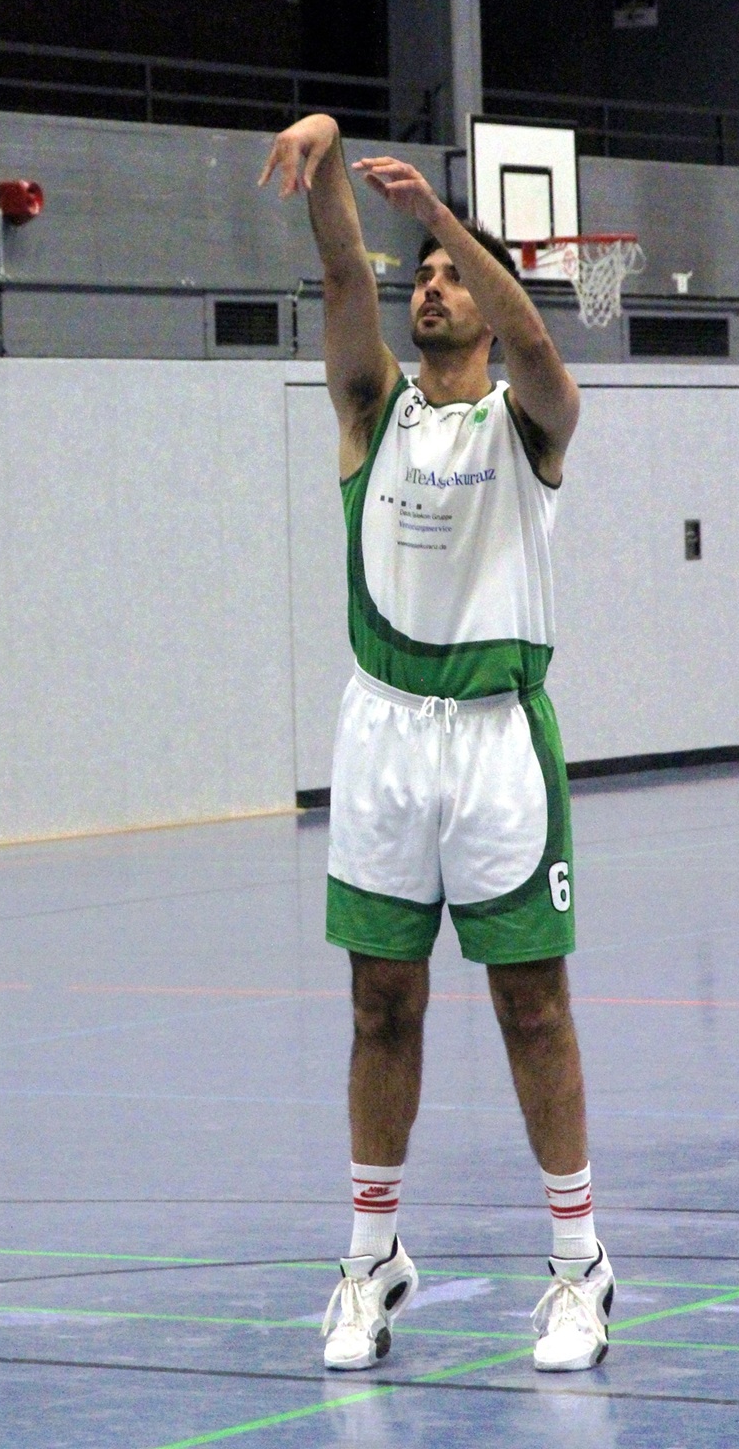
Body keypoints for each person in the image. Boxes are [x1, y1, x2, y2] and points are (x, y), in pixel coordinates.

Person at [259, 114, 611, 1377]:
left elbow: (541, 348)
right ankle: (372, 1256)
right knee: (381, 1003)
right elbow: (343, 275)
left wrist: (447, 220)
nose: (432, 285)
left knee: (533, 1005)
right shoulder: (375, 412)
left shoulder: (529, 425)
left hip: (498, 742)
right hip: (386, 738)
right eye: (425, 275)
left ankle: (578, 1263)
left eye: (453, 274)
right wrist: (328, 161)